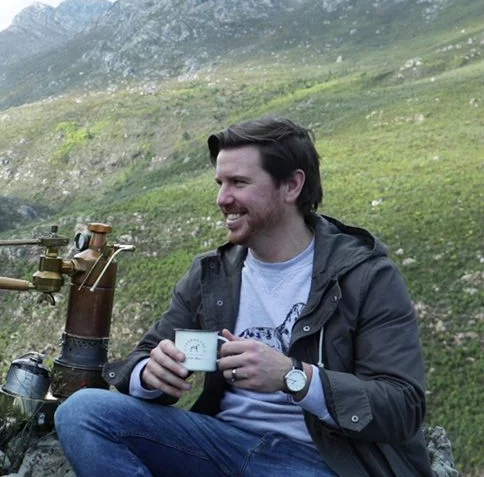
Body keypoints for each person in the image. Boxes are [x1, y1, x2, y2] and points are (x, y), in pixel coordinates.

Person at [55, 118, 432, 476]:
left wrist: (293, 377)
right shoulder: (212, 274)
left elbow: (403, 406)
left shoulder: (364, 275)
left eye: (238, 182)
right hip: (222, 445)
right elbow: (143, 357)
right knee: (82, 413)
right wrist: (148, 375)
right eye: (219, 182)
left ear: (291, 186)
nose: (222, 198)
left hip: (323, 462)